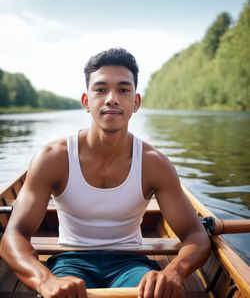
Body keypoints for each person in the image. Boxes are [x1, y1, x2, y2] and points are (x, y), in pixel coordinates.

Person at [0, 48, 211, 298]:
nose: (112, 98)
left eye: (123, 90)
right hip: (71, 261)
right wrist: (45, 280)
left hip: (131, 263)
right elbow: (13, 234)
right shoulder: (52, 158)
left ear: (136, 102)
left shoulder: (154, 163)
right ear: (86, 101)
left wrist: (174, 272)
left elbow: (196, 234)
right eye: (100, 90)